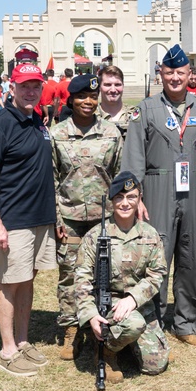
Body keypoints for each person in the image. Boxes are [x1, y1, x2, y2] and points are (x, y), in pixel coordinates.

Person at [120, 44, 196, 348]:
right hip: (157, 187)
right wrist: (135, 195)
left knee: (191, 255)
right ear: (161, 74)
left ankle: (187, 322)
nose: (175, 77)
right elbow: (134, 155)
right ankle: (152, 320)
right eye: (169, 72)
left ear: (190, 74)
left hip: (193, 190)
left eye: (181, 72)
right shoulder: (146, 109)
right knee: (157, 256)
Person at [0, 62, 58, 377]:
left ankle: (23, 342)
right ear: (11, 88)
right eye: (24, 85)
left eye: (35, 86)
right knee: (10, 282)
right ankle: (7, 350)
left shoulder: (37, 119)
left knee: (27, 279)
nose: (30, 91)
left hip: (40, 217)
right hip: (14, 219)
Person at [50, 73, 122, 360]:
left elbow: (119, 178)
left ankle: (104, 327)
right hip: (69, 217)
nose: (88, 102)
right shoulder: (56, 134)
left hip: (103, 219)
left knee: (104, 275)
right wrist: (56, 219)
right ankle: (71, 329)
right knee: (69, 274)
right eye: (82, 97)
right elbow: (51, 181)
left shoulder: (111, 133)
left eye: (93, 97)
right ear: (71, 99)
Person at [75, 172, 169, 385]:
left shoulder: (150, 234)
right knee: (134, 325)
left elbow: (157, 274)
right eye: (119, 197)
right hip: (107, 303)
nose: (125, 203)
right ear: (111, 200)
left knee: (155, 365)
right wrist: (90, 315)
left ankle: (123, 342)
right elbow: (81, 280)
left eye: (131, 197)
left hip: (137, 303)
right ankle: (106, 351)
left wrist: (133, 299)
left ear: (139, 198)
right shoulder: (95, 236)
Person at [96, 65, 134, 139]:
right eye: (108, 85)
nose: (113, 90)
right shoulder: (91, 116)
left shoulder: (135, 115)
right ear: (99, 87)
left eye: (117, 85)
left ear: (123, 86)